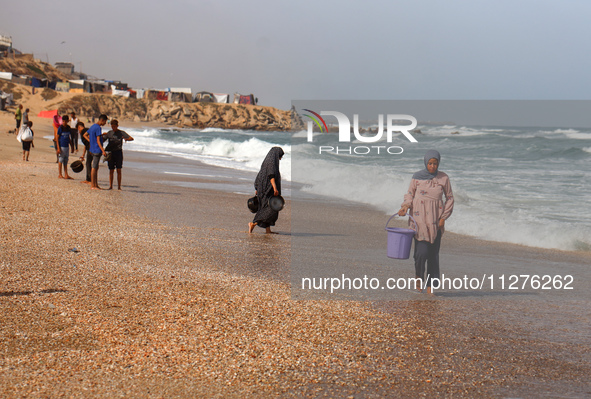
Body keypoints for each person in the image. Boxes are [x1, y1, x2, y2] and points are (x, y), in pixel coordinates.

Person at [397, 150, 454, 295]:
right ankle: (418, 276)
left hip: (436, 222)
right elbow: (409, 194)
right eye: (430, 163)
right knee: (421, 254)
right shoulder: (417, 177)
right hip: (419, 221)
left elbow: (450, 198)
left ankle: (430, 286)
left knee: (433, 256)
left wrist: (443, 218)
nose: (433, 166)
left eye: (435, 164)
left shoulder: (444, 178)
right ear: (425, 163)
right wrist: (404, 207)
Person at [249, 147, 284, 234]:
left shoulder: (266, 161)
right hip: (268, 190)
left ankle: (268, 230)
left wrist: (257, 187)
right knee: (270, 209)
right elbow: (271, 176)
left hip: (263, 188)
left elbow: (260, 174)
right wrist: (275, 188)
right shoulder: (272, 163)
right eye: (280, 156)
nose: (280, 158)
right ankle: (253, 223)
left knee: (265, 207)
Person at [103, 120, 134, 190]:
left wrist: (126, 139)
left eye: (114, 126)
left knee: (119, 170)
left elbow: (131, 138)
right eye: (112, 126)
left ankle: (119, 186)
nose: (113, 128)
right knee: (111, 169)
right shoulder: (109, 133)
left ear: (117, 126)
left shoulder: (121, 133)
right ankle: (110, 186)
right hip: (110, 153)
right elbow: (103, 139)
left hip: (118, 153)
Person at [87, 114, 108, 190]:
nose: (105, 123)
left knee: (96, 167)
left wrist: (91, 142)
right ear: (102, 120)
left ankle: (96, 184)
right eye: (105, 121)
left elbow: (85, 135)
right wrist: (103, 150)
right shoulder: (98, 128)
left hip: (92, 149)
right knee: (94, 167)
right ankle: (93, 185)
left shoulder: (93, 126)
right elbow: (98, 141)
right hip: (97, 149)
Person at [55, 115, 73, 179]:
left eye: (65, 121)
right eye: (63, 121)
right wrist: (58, 147)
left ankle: (66, 174)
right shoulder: (60, 128)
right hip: (61, 146)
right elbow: (57, 138)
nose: (64, 122)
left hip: (67, 146)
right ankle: (60, 174)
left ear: (68, 121)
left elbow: (69, 138)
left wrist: (72, 146)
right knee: (61, 160)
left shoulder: (68, 128)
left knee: (66, 160)